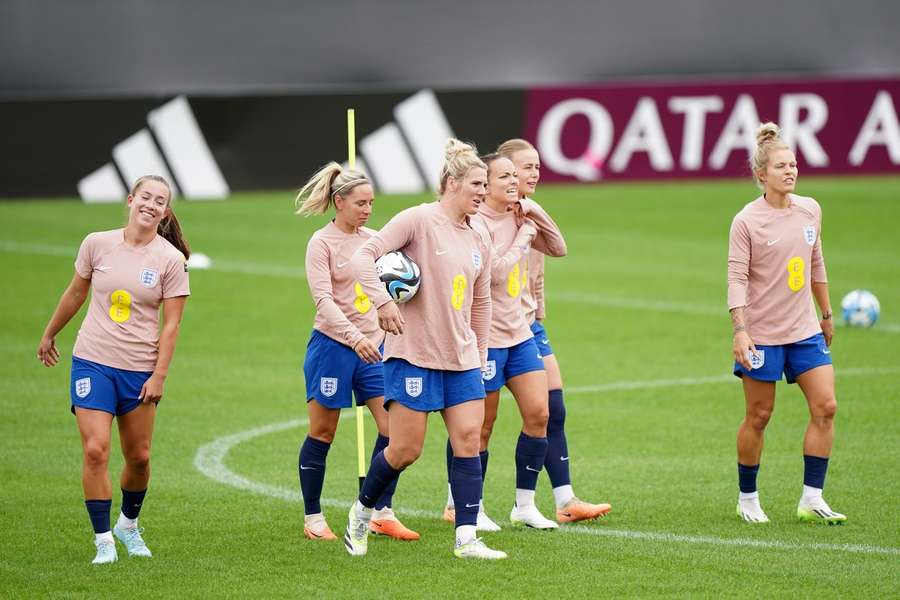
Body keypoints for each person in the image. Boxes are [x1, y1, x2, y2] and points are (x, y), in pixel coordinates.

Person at [343, 139, 507, 560]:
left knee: (469, 440)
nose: (482, 192)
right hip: (413, 355)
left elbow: (482, 299)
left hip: (463, 359)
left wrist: (482, 352)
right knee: (404, 451)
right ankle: (361, 513)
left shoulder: (479, 235)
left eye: (484, 184)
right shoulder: (417, 220)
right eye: (476, 183)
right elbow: (365, 256)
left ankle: (466, 539)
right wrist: (382, 302)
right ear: (452, 183)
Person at [37, 175, 190, 564]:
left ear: (166, 212)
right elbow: (76, 291)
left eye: (160, 201)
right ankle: (103, 539)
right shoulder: (96, 243)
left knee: (138, 457)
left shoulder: (171, 260)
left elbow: (171, 325)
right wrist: (50, 333)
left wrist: (159, 375)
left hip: (139, 369)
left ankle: (128, 524)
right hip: (92, 361)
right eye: (146, 197)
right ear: (130, 200)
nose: (151, 205)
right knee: (94, 450)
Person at [728, 122, 845, 524]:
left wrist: (825, 313)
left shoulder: (810, 209)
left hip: (805, 330)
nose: (791, 171)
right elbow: (736, 277)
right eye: (781, 166)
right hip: (762, 335)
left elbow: (816, 262)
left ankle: (812, 499)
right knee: (759, 416)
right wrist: (740, 331)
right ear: (762, 175)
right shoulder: (746, 221)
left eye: (793, 164)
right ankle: (748, 498)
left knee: (826, 406)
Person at [295, 163, 418, 542]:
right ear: (339, 202)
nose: (367, 209)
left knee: (392, 430)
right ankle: (314, 518)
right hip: (334, 347)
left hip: (375, 347)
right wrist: (353, 336)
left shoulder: (375, 240)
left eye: (371, 203)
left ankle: (381, 510)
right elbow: (323, 299)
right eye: (361, 203)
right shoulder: (322, 243)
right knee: (323, 431)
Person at [441, 154, 564, 530]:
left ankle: (524, 504)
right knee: (481, 426)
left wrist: (533, 210)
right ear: (486, 184)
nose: (514, 181)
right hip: (488, 337)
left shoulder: (520, 213)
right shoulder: (478, 223)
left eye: (516, 175)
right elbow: (493, 273)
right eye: (504, 176)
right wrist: (526, 236)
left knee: (539, 414)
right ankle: (467, 505)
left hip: (520, 333)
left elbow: (558, 246)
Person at [497, 139, 612, 523]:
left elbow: (544, 262)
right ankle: (455, 502)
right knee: (478, 420)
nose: (532, 175)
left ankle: (564, 502)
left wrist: (539, 313)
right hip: (490, 329)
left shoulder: (529, 215)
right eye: (523, 168)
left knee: (551, 409)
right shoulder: (488, 218)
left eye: (536, 168)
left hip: (528, 327)